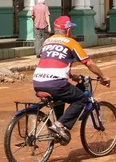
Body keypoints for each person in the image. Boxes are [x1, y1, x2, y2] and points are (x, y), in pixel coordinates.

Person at [32, 15, 110, 143]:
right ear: (68, 30)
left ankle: (58, 128)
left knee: (60, 98)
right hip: (56, 83)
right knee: (82, 99)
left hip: (37, 82)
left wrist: (72, 76)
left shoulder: (47, 41)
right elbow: (88, 63)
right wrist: (103, 77)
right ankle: (59, 125)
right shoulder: (71, 43)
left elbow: (54, 62)